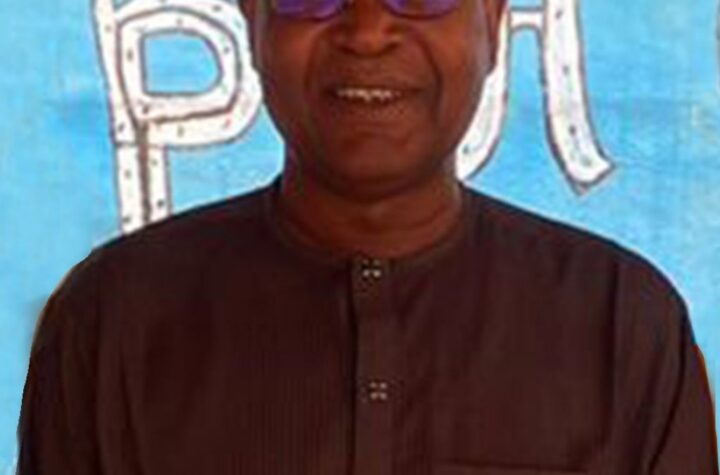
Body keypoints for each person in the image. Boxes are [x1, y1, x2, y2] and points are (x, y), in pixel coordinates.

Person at [16, 0, 718, 471]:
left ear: (492, 21)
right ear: (252, 20)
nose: (368, 29)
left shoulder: (622, 325)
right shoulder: (114, 319)